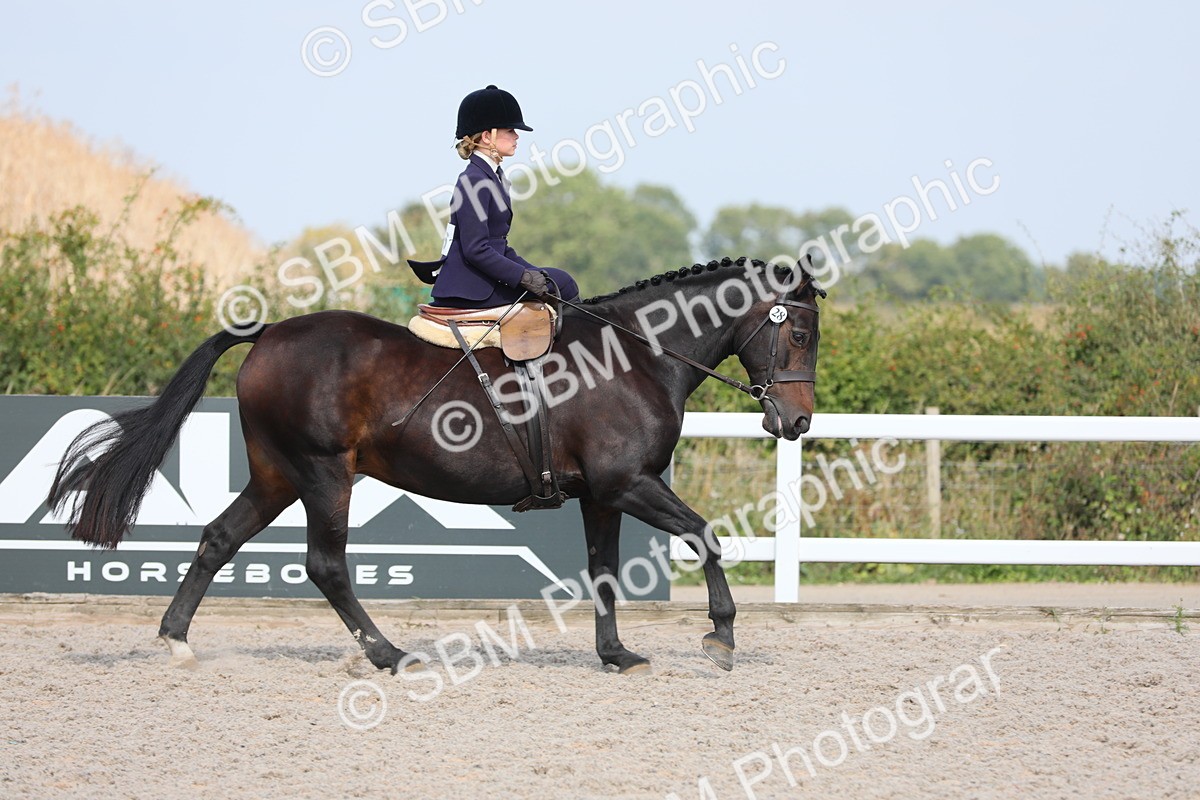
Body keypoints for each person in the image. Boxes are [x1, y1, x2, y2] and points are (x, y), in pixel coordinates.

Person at [409, 84, 580, 309]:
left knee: (558, 281)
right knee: (564, 285)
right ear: (489, 136)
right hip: (472, 288)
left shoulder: (492, 176)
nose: (517, 136)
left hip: (485, 279)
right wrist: (521, 277)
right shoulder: (473, 180)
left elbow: (499, 245)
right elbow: (475, 249)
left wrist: (531, 272)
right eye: (510, 130)